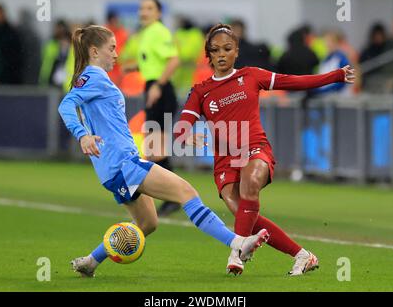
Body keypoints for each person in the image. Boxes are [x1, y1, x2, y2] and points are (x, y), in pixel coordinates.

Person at [57, 25, 269, 278]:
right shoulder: (94, 76)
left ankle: (91, 261)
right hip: (123, 164)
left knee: (148, 224)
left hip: (112, 171)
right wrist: (82, 136)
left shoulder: (93, 77)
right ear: (94, 51)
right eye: (111, 48)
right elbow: (66, 105)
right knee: (186, 192)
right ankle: (237, 243)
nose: (116, 54)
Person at [174, 24, 355, 276]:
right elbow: (182, 125)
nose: (222, 54)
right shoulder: (201, 91)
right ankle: (303, 256)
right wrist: (185, 134)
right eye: (215, 50)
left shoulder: (251, 75)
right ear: (209, 55)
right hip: (225, 160)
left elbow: (293, 82)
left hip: (255, 148)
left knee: (250, 184)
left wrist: (334, 76)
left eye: (227, 48)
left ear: (236, 50)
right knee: (246, 215)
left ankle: (236, 253)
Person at [125, 0, 181, 217]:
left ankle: (173, 197)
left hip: (162, 90)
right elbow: (155, 61)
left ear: (158, 13)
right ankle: (171, 197)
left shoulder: (159, 31)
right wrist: (136, 67)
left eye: (149, 8)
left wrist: (157, 85)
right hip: (154, 87)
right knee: (153, 150)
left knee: (155, 150)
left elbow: (173, 60)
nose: (143, 12)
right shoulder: (146, 33)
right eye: (141, 8)